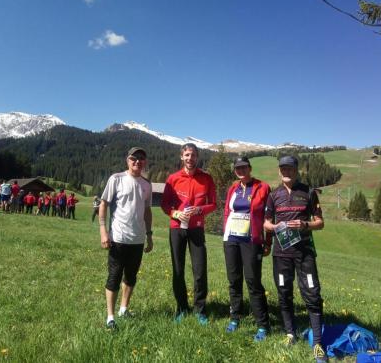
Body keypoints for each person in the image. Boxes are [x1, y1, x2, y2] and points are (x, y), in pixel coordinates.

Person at [263, 156, 327, 363]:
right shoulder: (274, 196)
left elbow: (320, 223)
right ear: (279, 170)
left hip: (304, 253)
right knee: (284, 293)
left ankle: (318, 343)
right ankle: (290, 333)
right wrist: (272, 228)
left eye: (290, 168)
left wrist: (304, 225)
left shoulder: (308, 192)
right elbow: (266, 222)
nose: (286, 171)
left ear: (296, 170)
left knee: (312, 294)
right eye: (283, 168)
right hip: (281, 254)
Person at [161, 143, 216, 325]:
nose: (189, 158)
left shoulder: (206, 178)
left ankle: (200, 309)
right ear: (181, 157)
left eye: (192, 155)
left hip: (196, 229)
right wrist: (175, 213)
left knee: (200, 270)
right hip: (177, 229)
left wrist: (199, 210)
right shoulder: (173, 179)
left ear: (197, 157)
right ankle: (181, 308)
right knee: (178, 270)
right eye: (186, 155)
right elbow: (165, 204)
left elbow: (213, 204)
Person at [99, 147, 153, 330]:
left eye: (141, 158)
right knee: (114, 277)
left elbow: (147, 211)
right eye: (134, 158)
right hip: (118, 238)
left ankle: (123, 309)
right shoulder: (116, 179)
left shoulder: (147, 185)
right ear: (127, 160)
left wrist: (149, 235)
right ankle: (110, 317)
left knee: (131, 277)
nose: (137, 161)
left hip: (137, 240)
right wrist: (103, 232)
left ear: (145, 162)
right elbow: (104, 204)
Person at [223, 156, 272, 341]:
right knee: (234, 280)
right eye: (237, 168)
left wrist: (268, 241)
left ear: (250, 168)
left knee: (253, 281)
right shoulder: (233, 188)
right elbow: (227, 212)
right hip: (232, 240)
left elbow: (269, 217)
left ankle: (262, 325)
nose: (241, 170)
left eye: (244, 167)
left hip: (252, 241)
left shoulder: (263, 187)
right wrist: (225, 235)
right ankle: (235, 318)